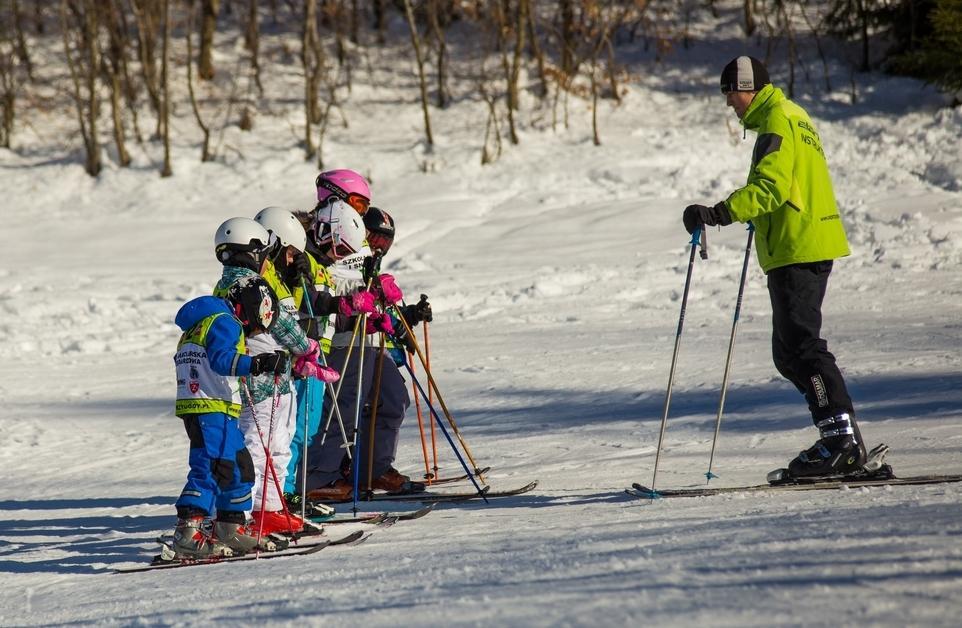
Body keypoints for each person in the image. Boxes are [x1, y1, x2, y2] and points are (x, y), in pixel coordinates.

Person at [682, 55, 866, 479]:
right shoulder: (794, 115)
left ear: (748, 88)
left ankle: (841, 443)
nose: (730, 104)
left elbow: (771, 186)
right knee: (788, 353)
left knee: (801, 347)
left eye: (732, 94)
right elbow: (790, 183)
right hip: (802, 241)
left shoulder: (776, 121)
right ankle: (843, 436)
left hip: (798, 246)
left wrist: (719, 213)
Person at [303, 199, 422, 501]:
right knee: (341, 412)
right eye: (375, 239)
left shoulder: (365, 258)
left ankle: (373, 468)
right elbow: (328, 301)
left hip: (366, 344)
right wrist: (358, 306)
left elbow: (368, 301)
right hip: (337, 345)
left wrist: (401, 317)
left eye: (386, 241)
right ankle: (322, 476)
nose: (379, 246)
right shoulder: (327, 254)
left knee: (393, 399)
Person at [171, 275, 289, 557]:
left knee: (239, 466)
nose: (251, 332)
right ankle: (187, 531)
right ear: (248, 308)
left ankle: (230, 527)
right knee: (212, 466)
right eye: (256, 323)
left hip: (215, 407)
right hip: (208, 406)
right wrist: (257, 363)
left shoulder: (207, 321)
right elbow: (222, 360)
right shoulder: (225, 321)